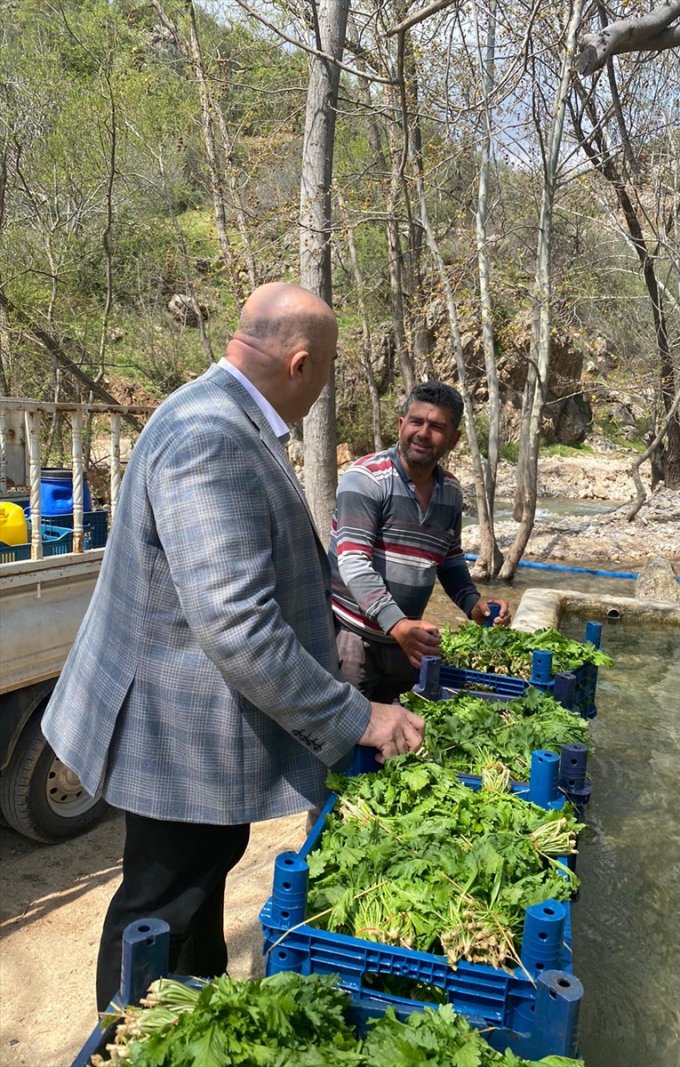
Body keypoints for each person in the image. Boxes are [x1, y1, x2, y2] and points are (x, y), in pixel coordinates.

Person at [41, 282, 425, 1011]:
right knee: (162, 901)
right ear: (301, 364)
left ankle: (197, 1005)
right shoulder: (211, 434)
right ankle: (129, 1039)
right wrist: (357, 716)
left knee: (196, 885)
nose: (322, 388)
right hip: (177, 732)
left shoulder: (220, 414)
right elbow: (237, 625)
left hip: (193, 726)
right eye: (327, 370)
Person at [329, 380, 511, 703]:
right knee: (351, 727)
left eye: (437, 427)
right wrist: (397, 623)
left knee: (401, 730)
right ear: (401, 425)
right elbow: (353, 563)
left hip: (406, 643)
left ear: (453, 440)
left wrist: (473, 604)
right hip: (354, 639)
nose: (423, 433)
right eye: (416, 422)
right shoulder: (366, 479)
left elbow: (449, 558)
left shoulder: (450, 492)